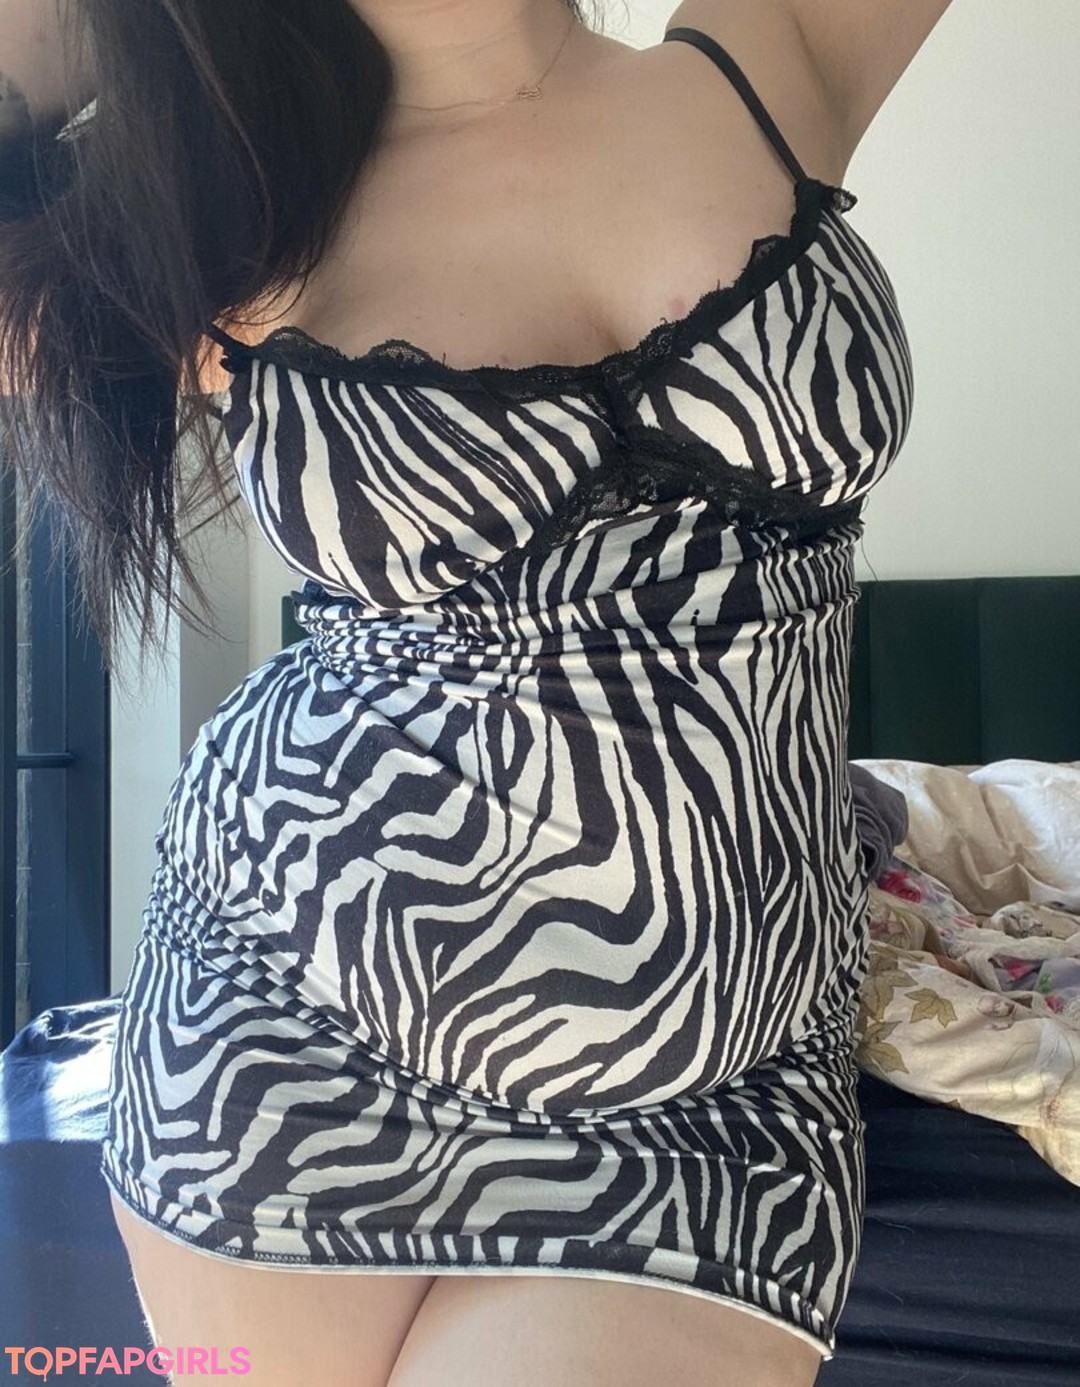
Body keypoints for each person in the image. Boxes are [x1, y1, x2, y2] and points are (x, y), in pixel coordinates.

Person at [0, 1, 953, 1383]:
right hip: (290, 1035)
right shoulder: (210, 230)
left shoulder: (772, 57)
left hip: (715, 1105)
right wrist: (112, 27)